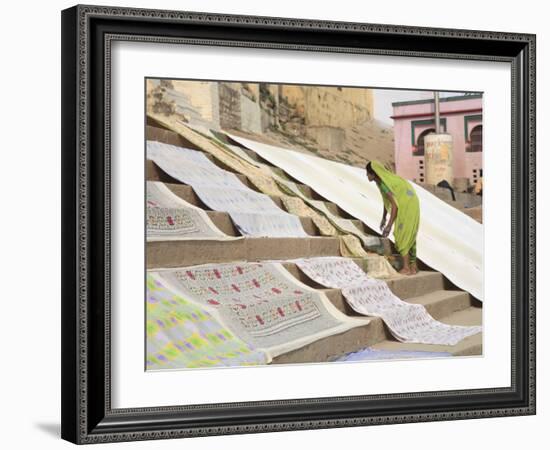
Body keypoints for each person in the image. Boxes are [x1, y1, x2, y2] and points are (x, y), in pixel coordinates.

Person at [365, 161, 420, 275]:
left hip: (407, 205)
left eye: (368, 173)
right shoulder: (385, 182)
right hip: (412, 203)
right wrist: (384, 217)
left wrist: (389, 225)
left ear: (374, 174)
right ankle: (413, 266)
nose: (366, 175)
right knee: (409, 233)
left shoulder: (384, 184)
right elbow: (388, 202)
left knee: (401, 235)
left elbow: (394, 205)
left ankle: (406, 268)